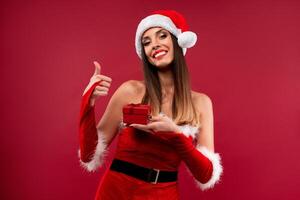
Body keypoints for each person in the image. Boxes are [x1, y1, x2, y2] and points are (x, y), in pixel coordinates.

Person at [78, 10, 223, 200]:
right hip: (115, 192)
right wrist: (87, 103)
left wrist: (176, 135)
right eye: (146, 42)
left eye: (162, 35)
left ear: (178, 41)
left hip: (164, 194)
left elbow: (205, 176)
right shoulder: (130, 91)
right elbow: (88, 156)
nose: (154, 44)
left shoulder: (201, 103)